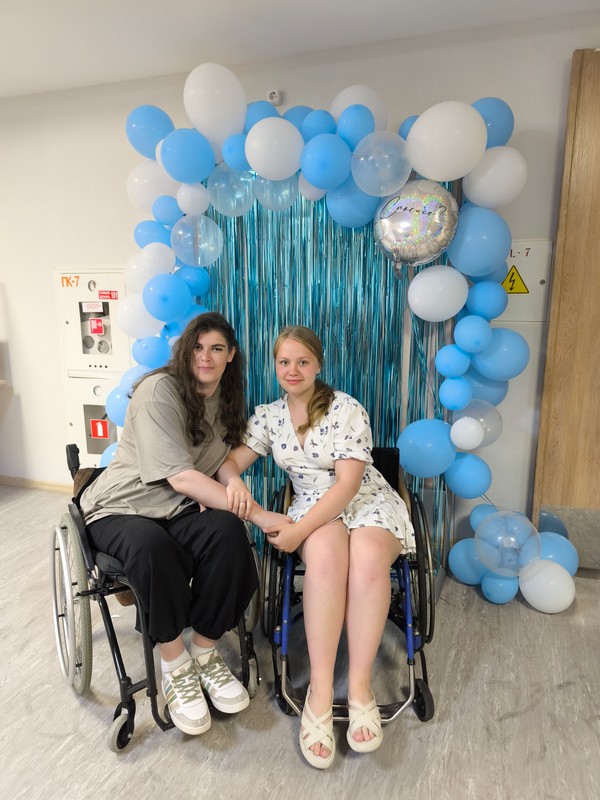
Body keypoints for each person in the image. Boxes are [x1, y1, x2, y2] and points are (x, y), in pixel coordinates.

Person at [80, 312, 288, 737]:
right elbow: (181, 477)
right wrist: (260, 514)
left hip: (177, 509)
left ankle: (204, 651)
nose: (205, 357)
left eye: (216, 348)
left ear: (231, 355)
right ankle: (175, 664)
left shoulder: (227, 401)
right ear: (184, 350)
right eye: (197, 347)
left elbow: (222, 461)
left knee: (229, 535)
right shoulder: (160, 390)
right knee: (152, 547)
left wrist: (235, 487)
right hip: (122, 507)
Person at [218, 326, 415, 769]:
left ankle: (360, 687)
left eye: (302, 362)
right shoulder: (268, 417)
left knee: (367, 561)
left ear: (318, 365)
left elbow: (347, 485)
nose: (293, 370)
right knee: (325, 559)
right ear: (275, 365)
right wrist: (235, 485)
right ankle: (320, 693)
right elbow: (230, 463)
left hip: (365, 499)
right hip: (310, 501)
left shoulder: (346, 408)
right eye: (284, 362)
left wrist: (297, 532)